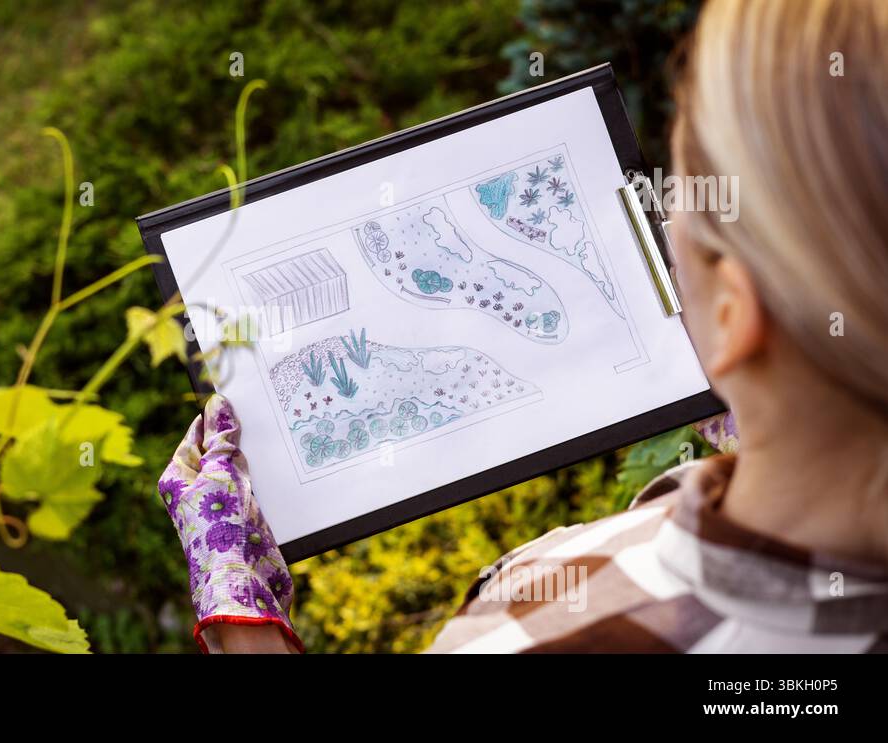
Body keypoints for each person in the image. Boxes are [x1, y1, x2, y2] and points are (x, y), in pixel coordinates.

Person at [156, 0, 888, 653]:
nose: (662, 218)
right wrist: (781, 406)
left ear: (734, 311)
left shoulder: (541, 627)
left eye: (682, 196)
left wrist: (240, 623)